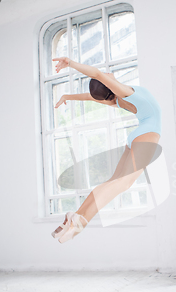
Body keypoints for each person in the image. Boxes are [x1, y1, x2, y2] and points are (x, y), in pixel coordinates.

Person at [50, 57, 162, 243]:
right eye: (106, 77)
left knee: (114, 182)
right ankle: (80, 221)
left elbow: (90, 96)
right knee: (122, 184)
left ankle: (76, 216)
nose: (107, 73)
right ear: (108, 84)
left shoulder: (117, 100)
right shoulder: (125, 93)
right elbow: (97, 73)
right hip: (148, 132)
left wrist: (68, 96)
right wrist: (70, 63)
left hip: (138, 134)